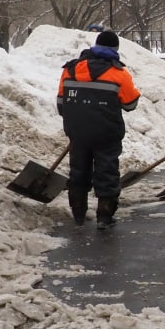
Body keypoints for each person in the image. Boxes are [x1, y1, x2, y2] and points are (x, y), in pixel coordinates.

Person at [57, 30, 142, 229]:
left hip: (77, 132)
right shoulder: (119, 73)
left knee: (78, 171)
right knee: (107, 172)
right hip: (107, 133)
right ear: (115, 50)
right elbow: (130, 104)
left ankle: (78, 214)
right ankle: (105, 217)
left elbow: (61, 104)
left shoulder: (70, 69)